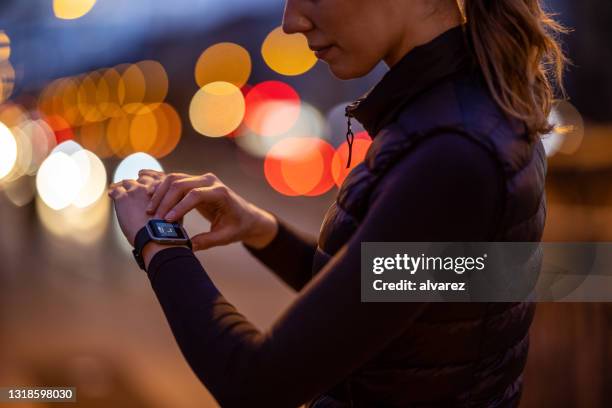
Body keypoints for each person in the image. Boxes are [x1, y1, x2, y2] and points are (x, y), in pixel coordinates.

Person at [109, 0, 567, 406]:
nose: (290, 21)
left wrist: (159, 243)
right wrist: (261, 229)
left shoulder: (451, 152)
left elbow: (256, 384)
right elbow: (382, 298)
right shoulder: (468, 116)